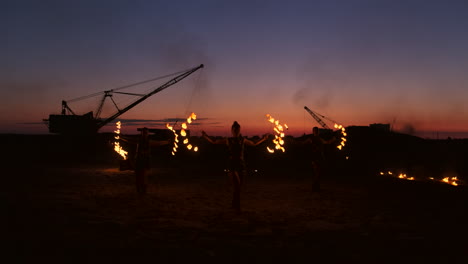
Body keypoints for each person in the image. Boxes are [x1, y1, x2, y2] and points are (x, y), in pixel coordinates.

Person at [202, 121, 268, 212]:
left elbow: (254, 144)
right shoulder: (228, 140)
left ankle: (234, 205)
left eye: (238, 129)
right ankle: (237, 207)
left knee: (238, 188)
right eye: (234, 129)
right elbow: (214, 142)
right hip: (232, 164)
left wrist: (263, 139)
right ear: (232, 130)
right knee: (236, 186)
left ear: (239, 130)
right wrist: (205, 136)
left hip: (241, 164)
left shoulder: (242, 140)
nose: (236, 131)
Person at [122, 127, 170, 195]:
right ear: (142, 133)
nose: (145, 134)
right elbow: (130, 140)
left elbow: (158, 143)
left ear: (147, 134)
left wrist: (167, 142)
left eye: (146, 133)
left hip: (145, 160)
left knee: (144, 176)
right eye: (144, 133)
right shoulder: (139, 140)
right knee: (138, 176)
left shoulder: (148, 141)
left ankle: (143, 191)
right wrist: (122, 137)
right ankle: (139, 191)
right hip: (138, 160)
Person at [302, 126, 335, 192]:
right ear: (313, 131)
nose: (316, 132)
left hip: (320, 157)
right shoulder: (311, 139)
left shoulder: (320, 139)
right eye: (315, 130)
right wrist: (294, 142)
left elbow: (327, 142)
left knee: (318, 172)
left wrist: (333, 139)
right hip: (314, 157)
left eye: (317, 131)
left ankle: (316, 186)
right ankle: (315, 186)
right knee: (316, 171)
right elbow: (303, 143)